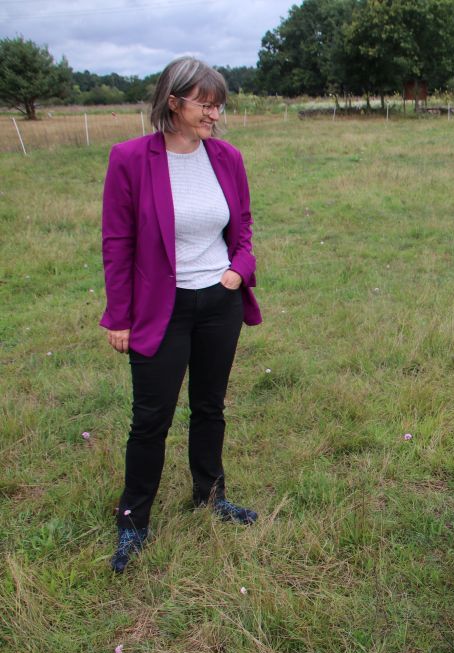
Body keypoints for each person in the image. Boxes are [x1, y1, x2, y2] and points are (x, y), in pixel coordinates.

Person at [100, 57, 262, 573]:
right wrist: (119, 318)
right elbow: (117, 242)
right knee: (151, 420)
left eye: (219, 106)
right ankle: (133, 521)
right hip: (159, 309)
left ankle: (210, 497)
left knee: (210, 407)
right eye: (206, 105)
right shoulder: (129, 159)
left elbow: (244, 226)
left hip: (219, 303)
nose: (215, 114)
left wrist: (239, 269)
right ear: (174, 103)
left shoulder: (227, 157)